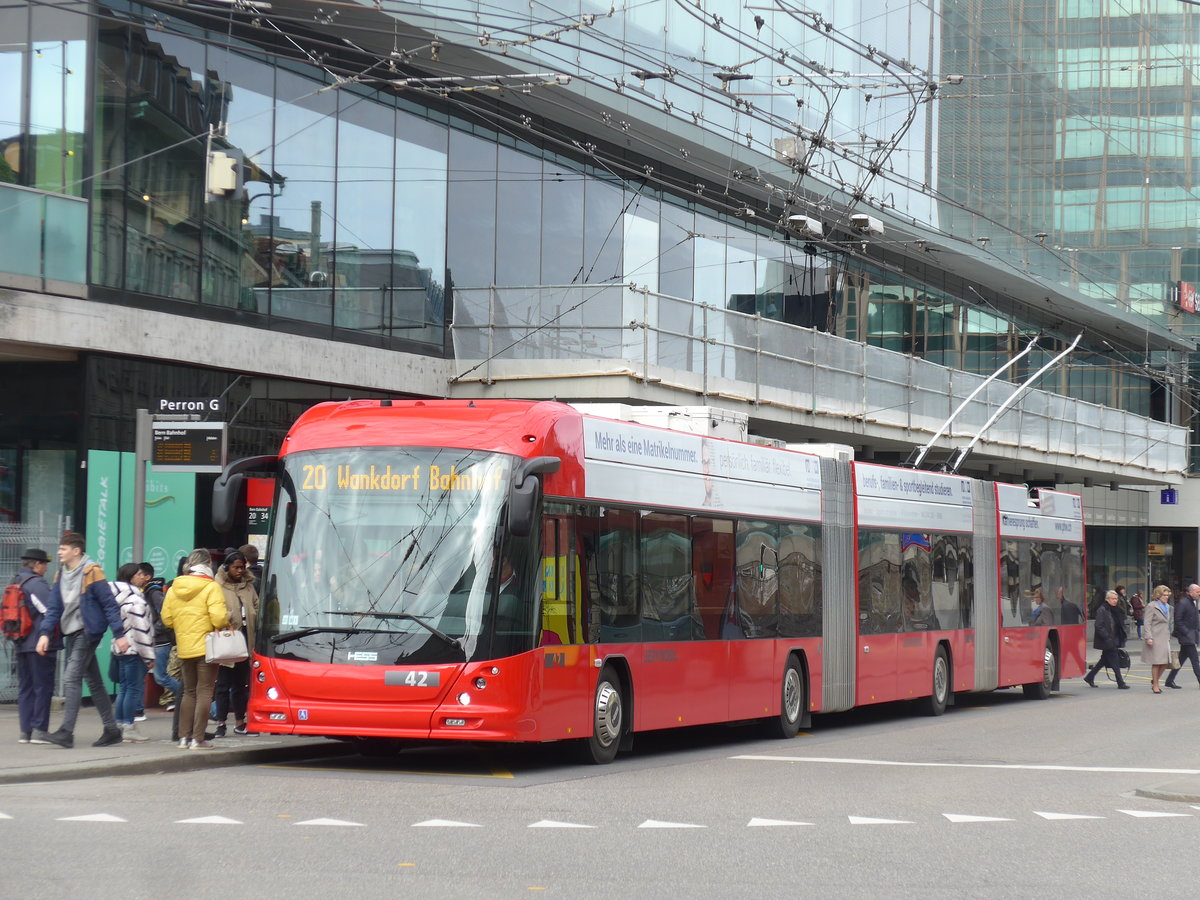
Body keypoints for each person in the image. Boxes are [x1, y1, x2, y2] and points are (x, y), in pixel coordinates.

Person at [37, 532, 128, 749]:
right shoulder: (61, 574)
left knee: (71, 678)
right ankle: (112, 729)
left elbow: (108, 604)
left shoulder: (92, 571)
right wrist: (44, 633)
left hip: (87, 631)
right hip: (72, 631)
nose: (59, 551)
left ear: (76, 551)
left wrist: (120, 634)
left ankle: (66, 732)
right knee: (94, 682)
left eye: (63, 548)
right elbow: (54, 608)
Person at [162, 549, 229, 749]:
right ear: (208, 564)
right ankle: (198, 739)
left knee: (188, 693)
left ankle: (184, 738)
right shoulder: (211, 587)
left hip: (184, 647)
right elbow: (219, 618)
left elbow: (166, 618)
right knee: (205, 692)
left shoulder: (175, 587)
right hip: (207, 646)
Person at [11, 548, 58, 743]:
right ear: (37, 564)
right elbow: (49, 610)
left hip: (20, 642)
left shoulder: (15, 581)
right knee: (43, 687)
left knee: (26, 687)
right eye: (45, 564)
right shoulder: (36, 584)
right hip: (39, 643)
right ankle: (39, 729)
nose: (46, 568)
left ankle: (25, 731)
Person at [213, 550, 258, 737]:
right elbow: (216, 610)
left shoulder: (248, 586)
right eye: (236, 567)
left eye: (242, 567)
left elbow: (256, 605)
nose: (240, 571)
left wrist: (254, 616)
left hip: (246, 641)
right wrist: (229, 619)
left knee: (241, 685)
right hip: (227, 641)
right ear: (227, 567)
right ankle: (220, 724)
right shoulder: (218, 587)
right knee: (222, 685)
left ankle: (240, 722)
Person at [109, 563, 156, 742]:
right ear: (130, 577)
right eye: (139, 574)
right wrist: (149, 656)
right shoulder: (135, 600)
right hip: (135, 650)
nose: (142, 577)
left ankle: (121, 724)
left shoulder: (118, 598)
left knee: (124, 688)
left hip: (121, 649)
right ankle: (129, 727)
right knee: (133, 690)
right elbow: (141, 630)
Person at [140, 562, 180, 711]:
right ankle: (137, 708)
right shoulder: (147, 591)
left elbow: (165, 615)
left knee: (161, 676)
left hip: (161, 641)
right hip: (154, 640)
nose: (137, 577)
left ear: (147, 577)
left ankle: (187, 694)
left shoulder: (154, 592)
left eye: (139, 574)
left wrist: (154, 631)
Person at [1083, 590, 1129, 689]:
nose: (1115, 601)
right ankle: (1120, 682)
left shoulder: (1116, 609)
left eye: (1116, 598)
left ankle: (1089, 677)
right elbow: (1099, 626)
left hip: (1115, 638)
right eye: (1112, 599)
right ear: (1107, 599)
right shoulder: (1102, 609)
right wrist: (1107, 637)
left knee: (1104, 660)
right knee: (1115, 661)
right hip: (1107, 640)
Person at [1164, 583, 1200, 689]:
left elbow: (1192, 619)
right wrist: (1187, 632)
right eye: (1197, 592)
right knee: (1195, 660)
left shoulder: (1191, 602)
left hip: (1190, 636)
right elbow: (1178, 620)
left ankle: (1169, 680)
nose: (1199, 594)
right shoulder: (1183, 603)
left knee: (1181, 659)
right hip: (1187, 637)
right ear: (1190, 592)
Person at [1141, 584, 1173, 693]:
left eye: (1167, 595)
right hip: (1154, 637)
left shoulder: (1168, 607)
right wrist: (1148, 637)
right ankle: (1155, 685)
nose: (1166, 597)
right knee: (1157, 662)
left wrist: (1169, 635)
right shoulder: (1152, 606)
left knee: (1165, 663)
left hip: (1164, 638)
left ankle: (1155, 680)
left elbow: (1169, 623)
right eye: (1164, 595)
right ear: (1158, 595)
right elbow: (1147, 623)